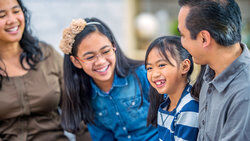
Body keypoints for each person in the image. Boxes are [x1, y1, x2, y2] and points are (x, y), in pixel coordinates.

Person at [59, 17, 158, 141]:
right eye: (90, 57)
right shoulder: (87, 95)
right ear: (76, 61)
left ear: (114, 47)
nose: (100, 61)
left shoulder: (143, 75)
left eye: (106, 51)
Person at [178, 0, 250, 140]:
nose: (182, 43)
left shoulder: (244, 92)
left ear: (204, 39)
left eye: (183, 35)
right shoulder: (210, 69)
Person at [0, 0, 71, 140]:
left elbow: (78, 110)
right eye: (2, 15)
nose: (12, 20)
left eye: (16, 11)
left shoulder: (46, 54)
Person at [145, 36, 198, 141]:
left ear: (184, 66)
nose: (154, 74)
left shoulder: (188, 108)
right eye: (150, 68)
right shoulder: (166, 104)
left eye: (161, 65)